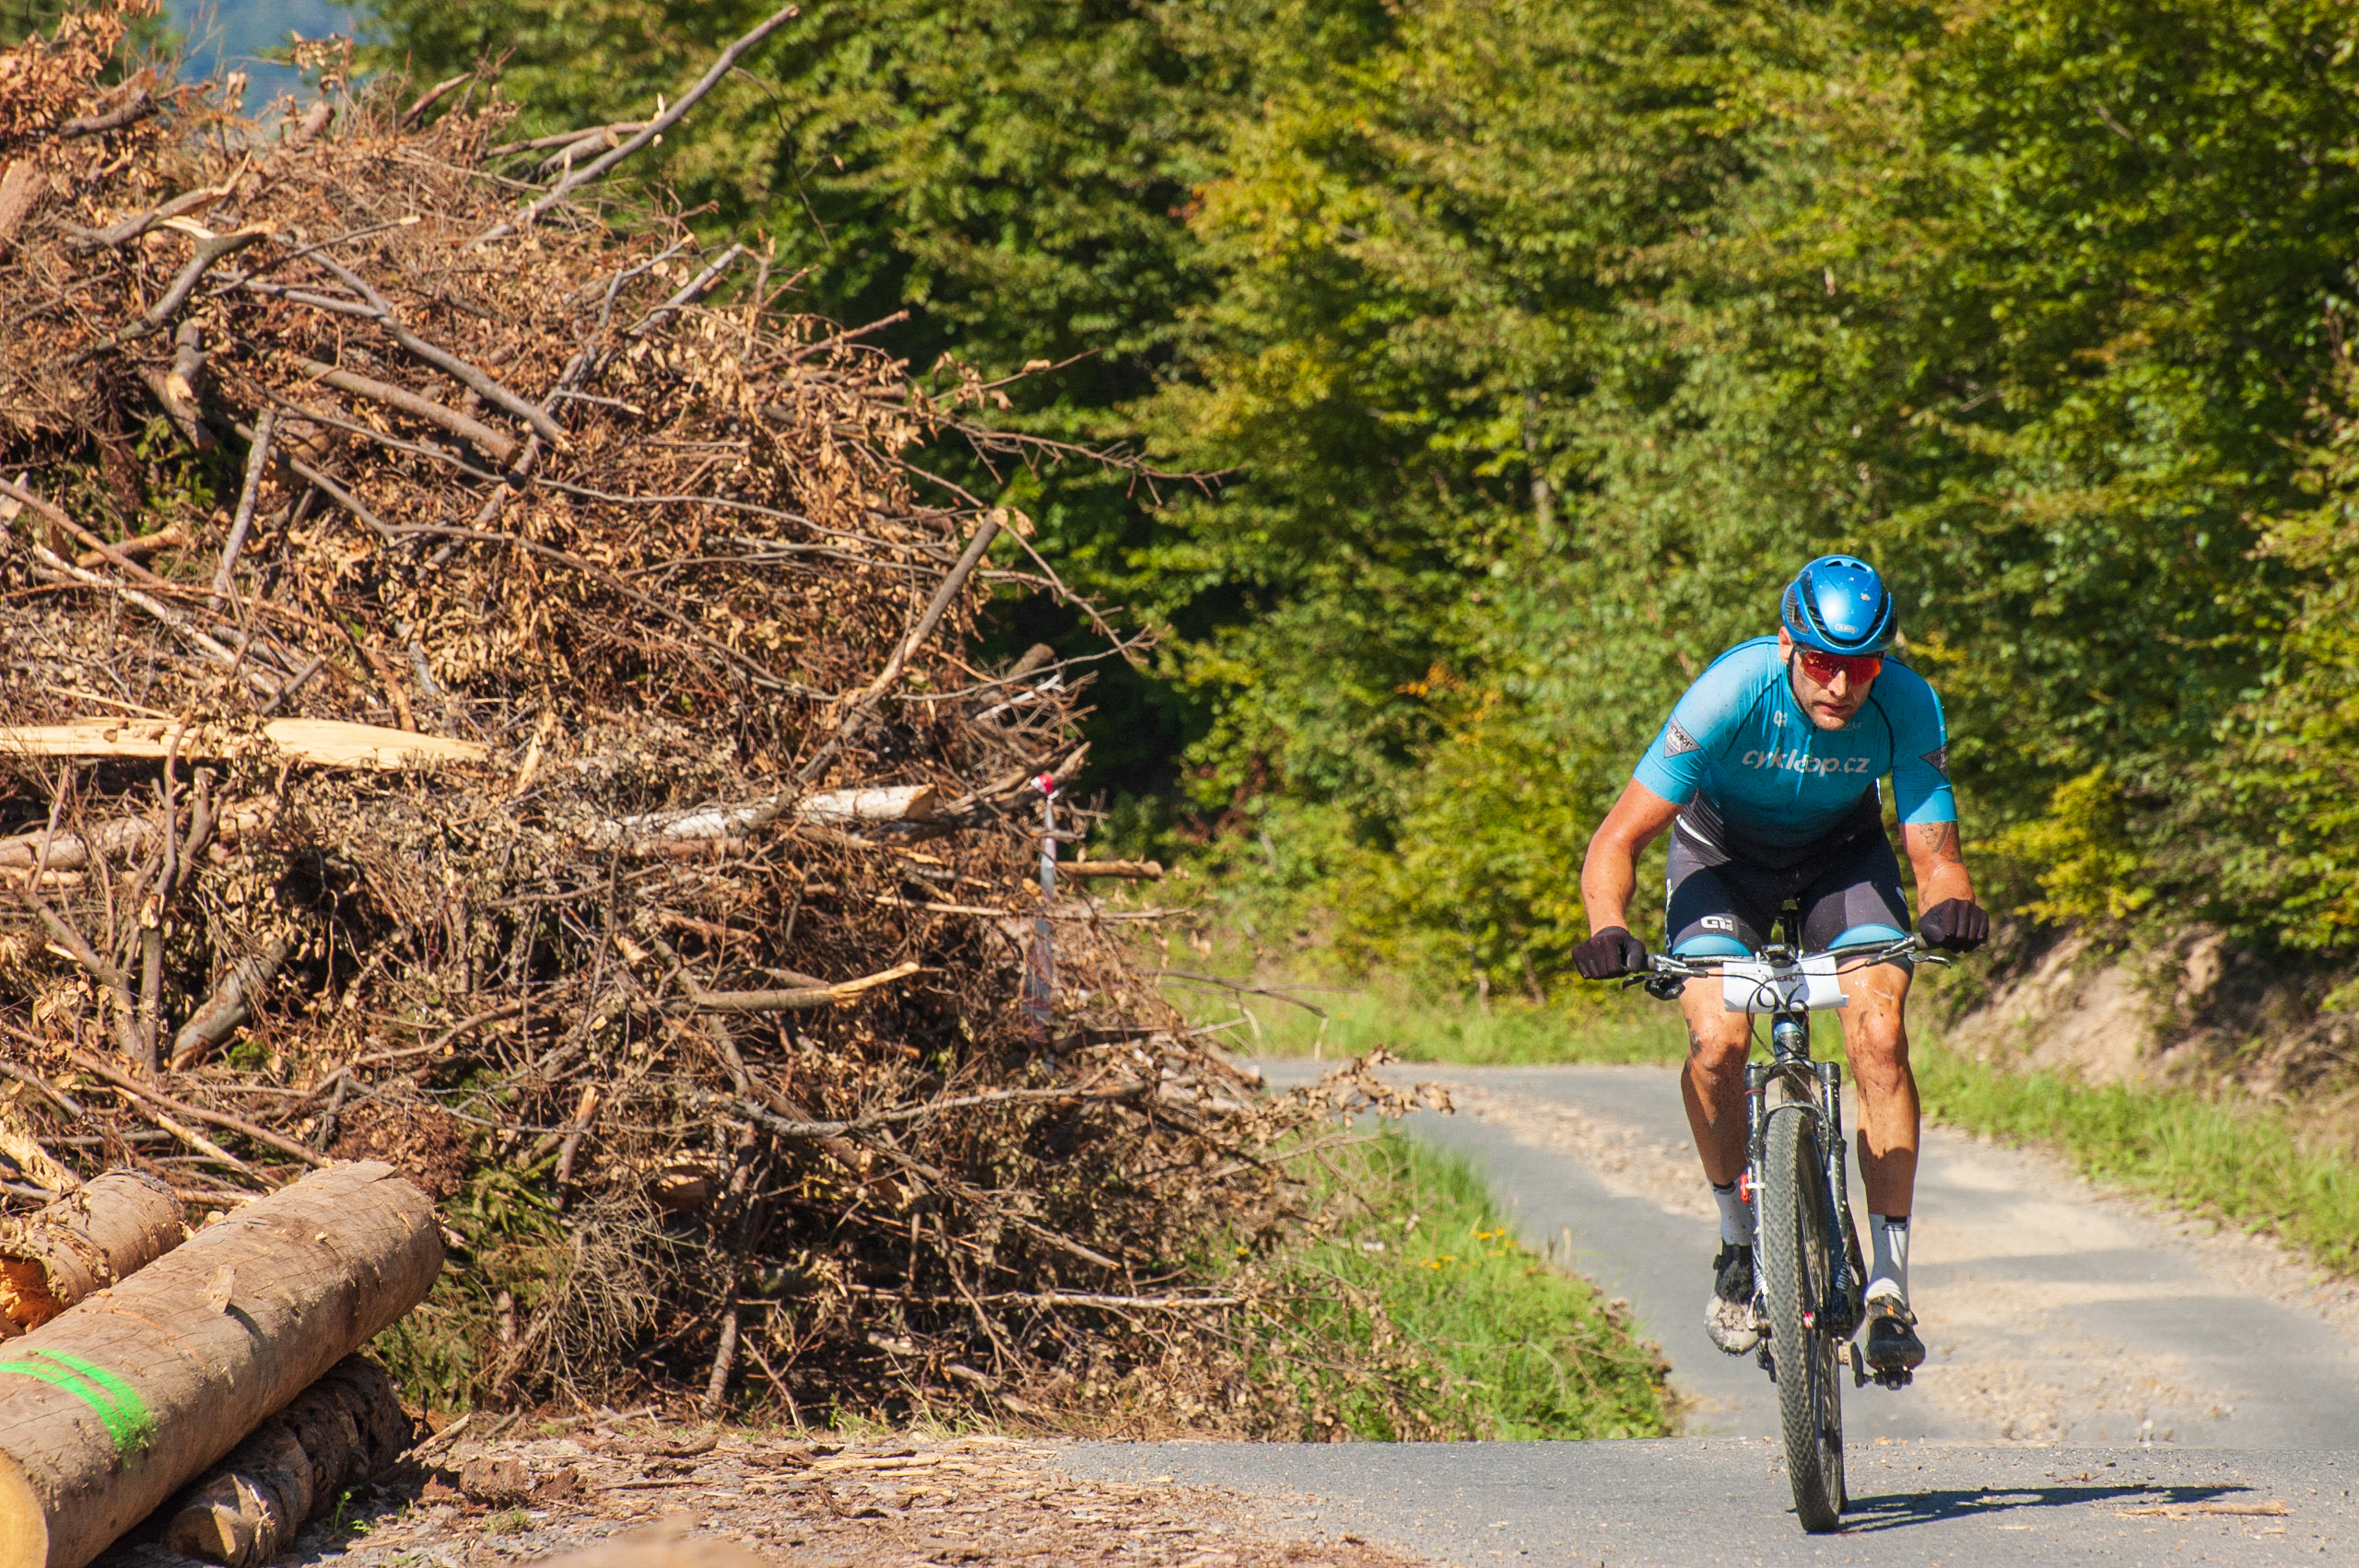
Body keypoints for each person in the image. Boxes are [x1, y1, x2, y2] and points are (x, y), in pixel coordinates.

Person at [1569, 555, 1988, 1378]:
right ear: (1791, 645)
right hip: (1720, 860)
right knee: (1717, 1041)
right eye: (1824, 662)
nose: (1841, 686)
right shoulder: (1731, 692)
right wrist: (1606, 925)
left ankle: (1890, 1287)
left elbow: (1936, 856)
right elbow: (1618, 838)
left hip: (1843, 861)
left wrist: (1950, 906)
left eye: (1862, 667)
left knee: (1881, 1029)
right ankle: (1737, 1241)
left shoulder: (1908, 705)